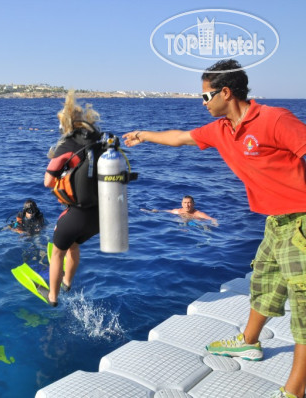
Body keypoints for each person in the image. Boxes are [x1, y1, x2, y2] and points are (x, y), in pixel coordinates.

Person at [122, 59, 306, 398]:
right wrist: (143, 135)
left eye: (205, 96)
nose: (202, 102)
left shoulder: (274, 119)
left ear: (226, 92)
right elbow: (180, 137)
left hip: (301, 222)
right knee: (263, 282)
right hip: (275, 223)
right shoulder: (222, 130)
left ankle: (294, 390)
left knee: (304, 312)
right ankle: (249, 343)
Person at [43, 90, 103, 307]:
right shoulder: (99, 143)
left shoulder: (67, 146)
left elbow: (48, 182)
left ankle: (53, 297)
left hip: (77, 213)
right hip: (100, 216)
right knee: (74, 246)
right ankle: (68, 282)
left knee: (57, 252)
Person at [144, 195, 218, 226]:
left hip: (194, 224)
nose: (187, 205)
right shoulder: (178, 211)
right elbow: (166, 211)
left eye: (189, 203)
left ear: (193, 204)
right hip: (182, 223)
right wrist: (154, 211)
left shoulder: (198, 214)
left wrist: (214, 223)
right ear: (182, 204)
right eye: (185, 203)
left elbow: (212, 219)